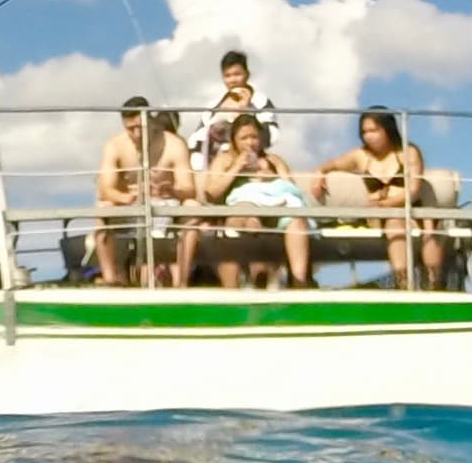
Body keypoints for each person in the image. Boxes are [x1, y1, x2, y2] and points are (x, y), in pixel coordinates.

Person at [308, 107, 446, 289]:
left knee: (430, 224)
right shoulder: (360, 156)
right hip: (382, 216)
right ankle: (403, 283)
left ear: (387, 129)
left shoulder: (408, 152)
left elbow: (414, 190)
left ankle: (434, 283)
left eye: (374, 131)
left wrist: (384, 203)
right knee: (394, 222)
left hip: (410, 208)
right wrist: (320, 173)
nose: (368, 136)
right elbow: (332, 164)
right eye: (364, 132)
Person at [177, 112, 309, 288]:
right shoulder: (225, 160)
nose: (250, 142)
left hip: (275, 207)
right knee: (250, 219)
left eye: (254, 137)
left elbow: (291, 188)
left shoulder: (273, 160)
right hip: (242, 210)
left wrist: (271, 176)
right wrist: (237, 167)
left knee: (297, 221)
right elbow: (211, 192)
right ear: (234, 141)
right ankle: (257, 276)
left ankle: (299, 281)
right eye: (244, 138)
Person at [94, 99, 193, 285]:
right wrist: (126, 197)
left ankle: (183, 282)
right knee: (103, 208)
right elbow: (105, 189)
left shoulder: (175, 144)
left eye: (141, 127)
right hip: (128, 206)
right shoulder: (115, 145)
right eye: (131, 128)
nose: (137, 134)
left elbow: (189, 188)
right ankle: (110, 279)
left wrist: (169, 188)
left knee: (193, 207)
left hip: (167, 205)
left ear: (151, 121)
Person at [186, 50, 279, 170]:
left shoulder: (260, 101)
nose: (233, 80)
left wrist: (245, 110)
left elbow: (272, 135)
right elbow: (197, 136)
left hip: (246, 161)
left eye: (237, 74)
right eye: (228, 76)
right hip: (209, 164)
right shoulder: (213, 106)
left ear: (247, 74)